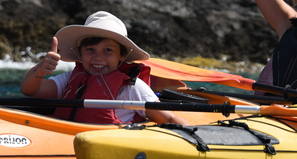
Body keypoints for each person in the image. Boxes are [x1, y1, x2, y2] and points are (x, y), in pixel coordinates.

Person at [21, 11, 188, 125]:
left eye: (108, 50)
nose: (98, 57)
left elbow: (170, 118)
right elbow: (30, 90)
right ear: (80, 54)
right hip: (67, 139)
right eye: (90, 50)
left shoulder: (133, 87)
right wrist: (41, 70)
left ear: (121, 56)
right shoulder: (70, 79)